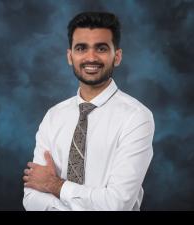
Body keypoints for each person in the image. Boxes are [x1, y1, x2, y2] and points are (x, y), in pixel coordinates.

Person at [22, 11, 154, 211]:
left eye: (101, 48)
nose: (90, 57)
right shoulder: (53, 116)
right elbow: (31, 197)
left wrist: (53, 185)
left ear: (116, 56)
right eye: (81, 48)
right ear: (70, 56)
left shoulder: (137, 118)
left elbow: (117, 204)